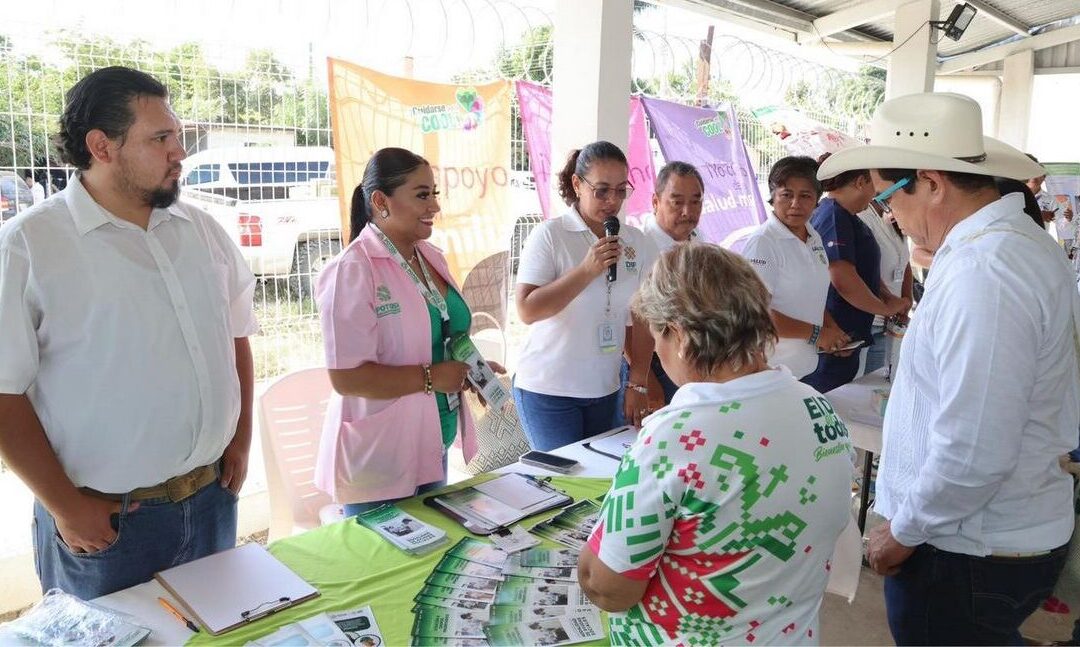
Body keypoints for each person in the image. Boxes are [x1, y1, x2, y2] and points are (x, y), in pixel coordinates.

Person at [820, 92, 1078, 645]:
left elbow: (975, 448)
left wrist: (903, 533)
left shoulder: (986, 272)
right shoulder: (1008, 248)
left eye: (888, 198)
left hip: (966, 549)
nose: (889, 215)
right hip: (986, 539)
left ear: (933, 183)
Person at [0, 66, 257, 599]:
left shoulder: (201, 230)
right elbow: (4, 393)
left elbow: (235, 339)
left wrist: (241, 438)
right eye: (160, 138)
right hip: (107, 526)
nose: (179, 152)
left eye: (178, 136)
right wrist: (66, 508)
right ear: (102, 146)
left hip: (212, 502)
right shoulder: (28, 247)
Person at [578, 243, 854, 646]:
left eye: (657, 334)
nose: (656, 349)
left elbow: (607, 586)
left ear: (677, 334)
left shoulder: (675, 435)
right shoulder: (818, 408)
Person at [315, 147, 495, 517]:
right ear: (381, 201)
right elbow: (347, 379)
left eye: (435, 194)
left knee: (429, 556)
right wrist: (432, 378)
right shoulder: (352, 270)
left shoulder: (431, 257)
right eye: (422, 195)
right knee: (387, 565)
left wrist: (468, 369)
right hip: (382, 455)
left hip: (432, 439)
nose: (434, 207)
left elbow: (440, 334)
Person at [513, 141, 658, 450]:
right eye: (602, 190)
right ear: (577, 184)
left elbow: (643, 318)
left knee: (599, 482)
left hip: (606, 387)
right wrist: (587, 270)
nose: (612, 201)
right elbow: (527, 310)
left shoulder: (637, 242)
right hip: (548, 389)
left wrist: (638, 381)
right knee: (565, 483)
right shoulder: (551, 235)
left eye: (621, 190)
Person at [740, 156, 851, 379]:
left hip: (805, 367)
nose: (795, 204)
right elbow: (756, 314)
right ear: (773, 196)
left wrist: (833, 332)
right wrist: (817, 334)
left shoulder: (813, 236)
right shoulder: (763, 242)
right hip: (769, 370)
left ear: (817, 200)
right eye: (786, 195)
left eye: (805, 196)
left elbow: (811, 297)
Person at [808, 157, 909, 392]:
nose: (876, 194)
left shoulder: (848, 216)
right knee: (830, 397)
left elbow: (862, 270)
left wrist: (887, 297)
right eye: (875, 186)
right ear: (862, 182)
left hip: (850, 334)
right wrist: (883, 309)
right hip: (835, 334)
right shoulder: (833, 216)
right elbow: (843, 279)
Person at [616, 161, 704, 425]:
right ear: (655, 201)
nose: (687, 212)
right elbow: (628, 317)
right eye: (676, 202)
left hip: (691, 360)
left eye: (696, 201)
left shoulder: (697, 242)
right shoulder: (637, 248)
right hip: (653, 364)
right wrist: (643, 381)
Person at [856, 201, 913, 374]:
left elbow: (905, 263)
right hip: (870, 319)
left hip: (891, 321)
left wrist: (907, 300)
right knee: (857, 385)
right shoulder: (861, 217)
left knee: (878, 380)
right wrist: (890, 304)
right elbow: (862, 270)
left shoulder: (893, 214)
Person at [1027, 153, 1076, 255]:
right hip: (1016, 241)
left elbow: (1062, 225)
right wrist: (1038, 215)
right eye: (1031, 173)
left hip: (1037, 245)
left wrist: (1068, 218)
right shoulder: (1014, 194)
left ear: (1044, 177)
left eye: (1038, 173)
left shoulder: (1050, 200)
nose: (1034, 177)